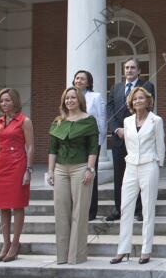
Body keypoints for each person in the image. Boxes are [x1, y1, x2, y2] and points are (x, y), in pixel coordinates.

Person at [110, 87, 165, 265]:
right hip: (131, 166)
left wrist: (158, 164)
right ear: (131, 103)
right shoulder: (127, 121)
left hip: (149, 165)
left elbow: (160, 145)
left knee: (148, 209)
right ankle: (122, 250)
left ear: (148, 101)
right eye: (135, 99)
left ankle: (146, 250)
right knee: (126, 209)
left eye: (141, 98)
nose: (138, 101)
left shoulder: (156, 120)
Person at [46, 87, 98, 265]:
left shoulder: (89, 120)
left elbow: (93, 148)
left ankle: (76, 256)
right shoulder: (58, 122)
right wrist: (50, 171)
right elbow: (53, 149)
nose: (70, 100)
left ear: (79, 100)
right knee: (61, 212)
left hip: (81, 168)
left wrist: (90, 169)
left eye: (73, 97)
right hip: (60, 169)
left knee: (80, 212)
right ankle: (62, 256)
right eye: (67, 98)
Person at [107, 57, 155, 221]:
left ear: (139, 70)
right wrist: (116, 129)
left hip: (138, 139)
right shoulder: (116, 88)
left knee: (140, 174)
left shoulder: (147, 86)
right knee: (119, 174)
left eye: (133, 68)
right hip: (119, 139)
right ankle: (118, 208)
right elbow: (110, 110)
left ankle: (139, 210)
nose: (129, 70)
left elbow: (148, 110)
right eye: (127, 68)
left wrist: (134, 130)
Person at [0, 88, 34, 262]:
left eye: (7, 100)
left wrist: (28, 170)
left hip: (17, 165)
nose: (4, 104)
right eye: (1, 101)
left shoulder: (25, 121)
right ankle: (5, 244)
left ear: (15, 101)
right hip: (0, 166)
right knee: (3, 206)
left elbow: (30, 147)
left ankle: (15, 244)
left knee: (17, 205)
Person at [72, 70, 106, 221]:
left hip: (91, 143)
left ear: (88, 82)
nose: (79, 81)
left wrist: (99, 141)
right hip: (74, 144)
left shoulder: (95, 97)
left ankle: (91, 211)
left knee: (90, 175)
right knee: (76, 176)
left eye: (82, 79)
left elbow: (102, 120)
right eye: (77, 78)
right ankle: (77, 209)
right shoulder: (70, 96)